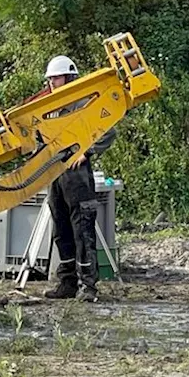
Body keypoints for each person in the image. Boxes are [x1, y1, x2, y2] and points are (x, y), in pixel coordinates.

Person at [42, 55, 116, 302]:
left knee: (82, 231)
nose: (53, 83)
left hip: (77, 177)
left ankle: (88, 286)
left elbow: (108, 128)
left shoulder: (83, 104)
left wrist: (87, 151)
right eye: (51, 79)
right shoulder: (48, 108)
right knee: (61, 229)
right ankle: (67, 283)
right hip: (55, 174)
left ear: (70, 78)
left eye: (57, 78)